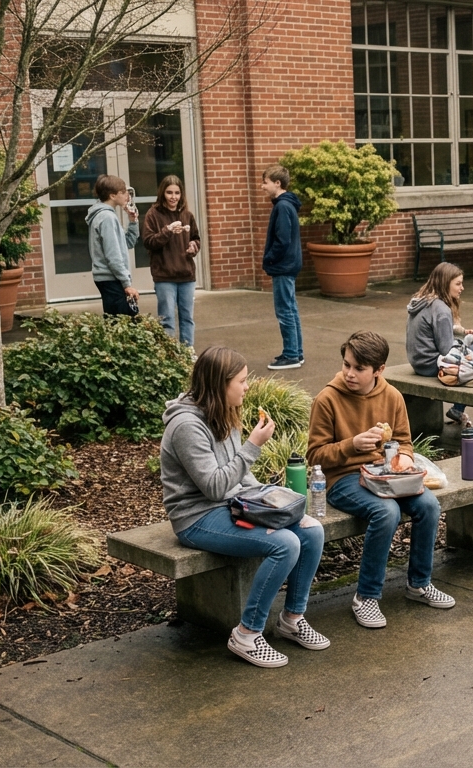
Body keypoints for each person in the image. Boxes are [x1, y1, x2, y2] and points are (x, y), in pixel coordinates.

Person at [161, 346, 327, 668]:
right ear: (220, 385)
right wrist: (253, 446)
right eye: (241, 380)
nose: (247, 386)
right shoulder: (186, 427)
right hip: (196, 517)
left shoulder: (224, 411)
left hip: (233, 505)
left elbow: (241, 476)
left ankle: (292, 619)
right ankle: (247, 633)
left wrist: (279, 507)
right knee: (285, 545)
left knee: (311, 530)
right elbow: (214, 487)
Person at [307, 331, 454, 628]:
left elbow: (403, 442)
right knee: (386, 512)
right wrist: (352, 445)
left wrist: (405, 459)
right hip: (342, 479)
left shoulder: (392, 396)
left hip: (386, 475)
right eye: (347, 365)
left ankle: (419, 584)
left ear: (379, 370)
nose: (349, 373)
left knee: (428, 505)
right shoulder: (327, 399)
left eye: (359, 369)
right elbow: (315, 456)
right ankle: (367, 596)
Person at [407, 261, 473, 426]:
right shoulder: (441, 309)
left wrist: (459, 331)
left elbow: (433, 330)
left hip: (418, 361)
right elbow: (446, 350)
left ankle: (457, 410)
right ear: (446, 284)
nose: (462, 288)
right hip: (432, 365)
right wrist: (466, 344)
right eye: (458, 284)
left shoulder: (422, 300)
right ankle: (458, 409)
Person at [141, 175, 201, 348]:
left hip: (186, 275)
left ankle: (187, 352)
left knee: (187, 318)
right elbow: (148, 242)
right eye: (169, 193)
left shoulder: (187, 215)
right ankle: (170, 355)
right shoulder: (153, 215)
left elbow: (196, 237)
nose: (173, 197)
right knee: (167, 319)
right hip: (165, 275)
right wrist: (167, 231)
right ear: (162, 193)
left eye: (177, 193)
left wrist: (193, 246)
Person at [261, 164, 304, 370]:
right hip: (288, 265)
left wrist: (269, 258)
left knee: (285, 311)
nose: (263, 186)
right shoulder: (286, 205)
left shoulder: (282, 207)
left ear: (277, 183)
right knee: (291, 309)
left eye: (266, 182)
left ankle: (291, 355)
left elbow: (282, 240)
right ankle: (296, 352)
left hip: (283, 266)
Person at [86, 174, 140, 317]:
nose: (127, 195)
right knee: (121, 324)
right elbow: (113, 256)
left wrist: (133, 222)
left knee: (117, 323)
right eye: (123, 192)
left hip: (110, 278)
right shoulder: (107, 218)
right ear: (113, 196)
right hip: (111, 279)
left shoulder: (107, 215)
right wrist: (127, 284)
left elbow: (128, 243)